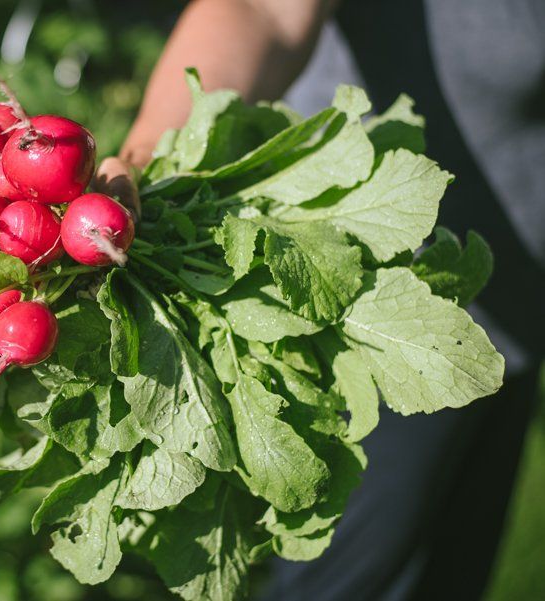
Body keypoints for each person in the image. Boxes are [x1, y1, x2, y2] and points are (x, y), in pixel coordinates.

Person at [93, 1, 545, 599]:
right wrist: (148, 156)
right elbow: (263, 11)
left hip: (519, 299)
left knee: (456, 574)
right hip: (364, 307)